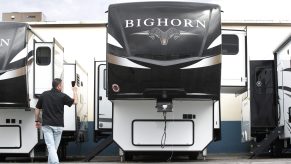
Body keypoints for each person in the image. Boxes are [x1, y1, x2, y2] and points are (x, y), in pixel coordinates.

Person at [35, 78, 78, 164]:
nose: (62, 86)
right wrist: (75, 90)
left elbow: (37, 108)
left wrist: (37, 120)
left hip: (47, 125)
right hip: (58, 126)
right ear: (58, 86)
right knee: (53, 148)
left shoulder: (44, 94)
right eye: (62, 85)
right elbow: (75, 102)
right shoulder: (62, 96)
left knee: (52, 148)